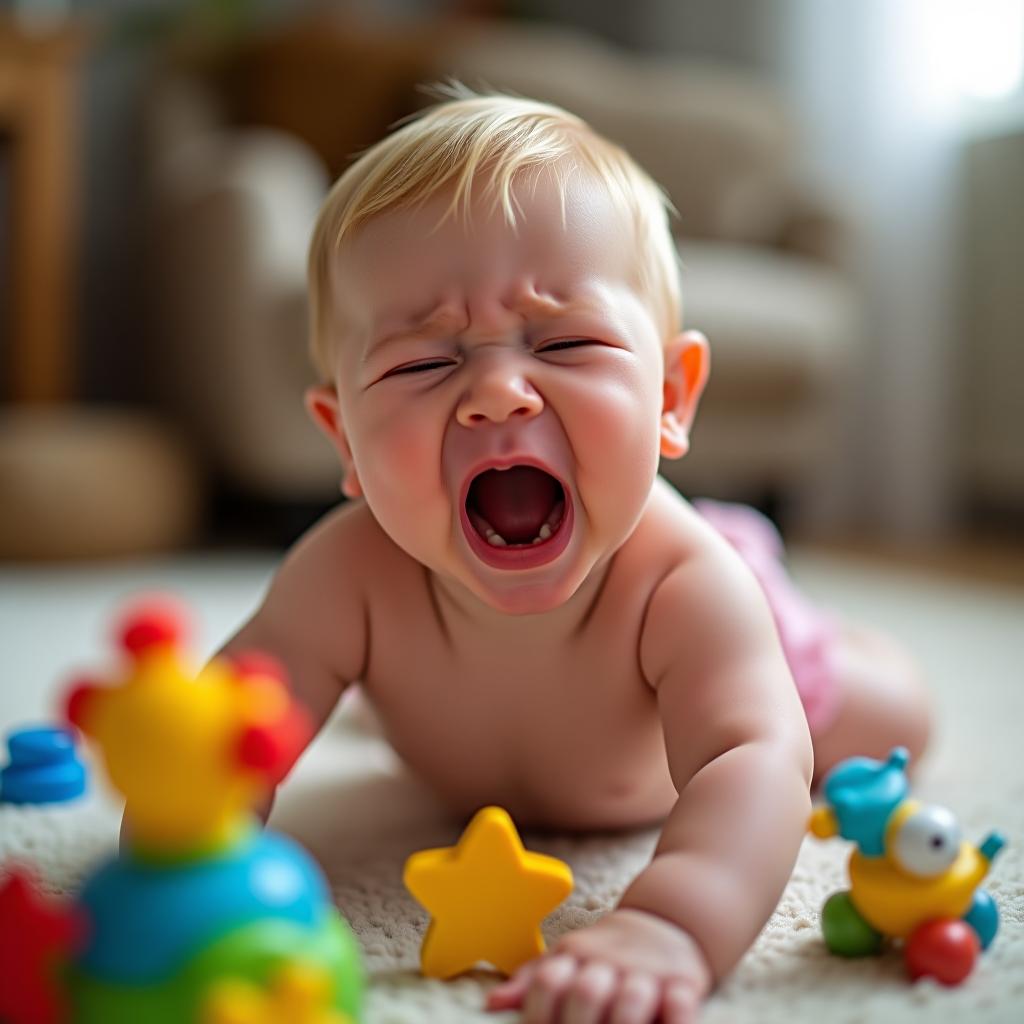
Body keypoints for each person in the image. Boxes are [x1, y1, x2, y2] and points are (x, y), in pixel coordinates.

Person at [219, 87, 930, 1023]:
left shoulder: (680, 582)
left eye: (566, 341)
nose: (498, 393)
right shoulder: (345, 577)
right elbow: (227, 730)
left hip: (731, 629)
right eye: (422, 363)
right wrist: (180, 848)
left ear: (672, 396)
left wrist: (674, 923)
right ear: (343, 437)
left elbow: (752, 755)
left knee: (890, 721)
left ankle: (820, 634)